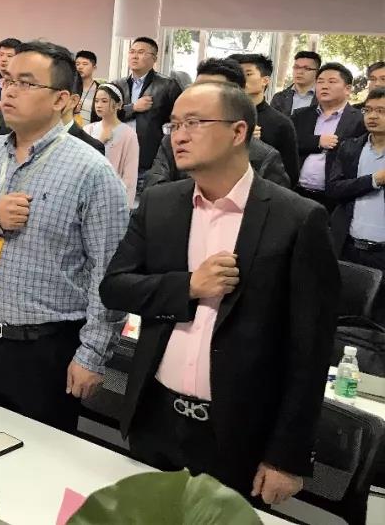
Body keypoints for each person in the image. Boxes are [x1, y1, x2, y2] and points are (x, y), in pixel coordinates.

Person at [100, 81, 337, 503]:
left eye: (194, 123)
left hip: (237, 434)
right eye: (174, 125)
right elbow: (115, 288)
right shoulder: (160, 203)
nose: (179, 135)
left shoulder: (297, 218)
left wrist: (286, 456)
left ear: (238, 131)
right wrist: (188, 286)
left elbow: (311, 349)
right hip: (156, 418)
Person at [0, 41, 129, 432]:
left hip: (47, 349)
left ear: (62, 99)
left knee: (37, 460)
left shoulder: (91, 171)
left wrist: (92, 355)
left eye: (25, 83)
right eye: (7, 80)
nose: (9, 91)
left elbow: (109, 274)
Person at [145, 58, 289, 190]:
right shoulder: (172, 141)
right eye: (197, 89)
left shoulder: (264, 156)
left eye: (212, 91)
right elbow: (154, 191)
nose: (200, 96)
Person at [326, 87, 385, 303]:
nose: (372, 116)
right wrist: (373, 180)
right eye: (368, 110)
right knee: (344, 308)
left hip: (382, 252)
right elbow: (334, 189)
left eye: (381, 111)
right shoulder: (351, 147)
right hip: (349, 246)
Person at [293, 62, 364, 212]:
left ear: (347, 89)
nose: (324, 86)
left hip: (334, 199)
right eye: (320, 82)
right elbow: (289, 144)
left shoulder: (359, 120)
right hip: (297, 193)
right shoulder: (301, 115)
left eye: (332, 82)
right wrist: (317, 141)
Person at [117, 36, 182, 191]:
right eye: (132, 52)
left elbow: (179, 120)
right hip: (119, 155)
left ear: (154, 59)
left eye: (141, 52)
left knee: (146, 200)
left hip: (149, 159)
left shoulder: (167, 85)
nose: (134, 56)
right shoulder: (117, 85)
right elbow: (105, 115)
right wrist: (133, 108)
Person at [230, 53, 299, 186]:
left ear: (265, 80)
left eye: (248, 74)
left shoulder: (281, 123)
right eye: (236, 74)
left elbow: (291, 175)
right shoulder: (220, 116)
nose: (240, 79)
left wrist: (256, 146)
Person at [84, 83, 139, 207]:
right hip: (87, 196)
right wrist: (100, 141)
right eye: (96, 101)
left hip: (113, 200)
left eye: (104, 101)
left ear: (118, 105)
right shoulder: (88, 130)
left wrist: (125, 206)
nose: (98, 105)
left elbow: (130, 176)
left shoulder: (128, 134)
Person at [271, 50, 320, 115]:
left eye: (306, 68)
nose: (299, 72)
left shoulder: (325, 97)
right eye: (296, 67)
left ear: (318, 72)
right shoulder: (279, 98)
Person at [75, 50, 101, 123]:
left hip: (91, 129)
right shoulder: (70, 87)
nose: (80, 67)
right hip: (71, 129)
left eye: (85, 64)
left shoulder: (100, 90)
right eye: (77, 64)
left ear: (94, 67)